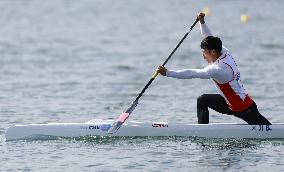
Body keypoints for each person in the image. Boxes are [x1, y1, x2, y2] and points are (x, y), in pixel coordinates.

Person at [156, 12, 271, 125]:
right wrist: (202, 22)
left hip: (244, 108)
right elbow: (208, 38)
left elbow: (192, 73)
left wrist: (168, 73)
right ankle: (203, 132)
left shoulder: (218, 69)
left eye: (205, 52)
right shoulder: (224, 51)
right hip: (230, 104)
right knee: (202, 100)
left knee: (268, 129)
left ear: (213, 52)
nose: (203, 55)